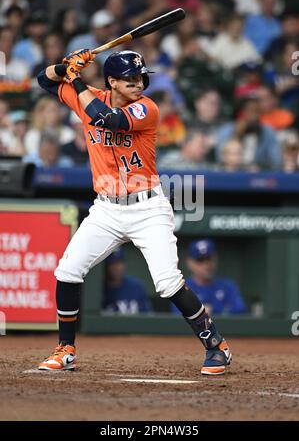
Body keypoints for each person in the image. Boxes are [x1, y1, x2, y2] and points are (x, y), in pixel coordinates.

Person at [36, 47, 232, 376]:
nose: (138, 83)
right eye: (129, 79)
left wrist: (77, 81)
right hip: (106, 209)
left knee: (168, 283)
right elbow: (43, 79)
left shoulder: (147, 108)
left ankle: (217, 346)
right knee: (67, 271)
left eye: (140, 78)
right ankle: (66, 349)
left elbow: (106, 118)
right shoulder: (88, 96)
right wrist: (66, 65)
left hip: (147, 208)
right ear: (111, 81)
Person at [171, 239, 246, 316]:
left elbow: (240, 310)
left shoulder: (227, 286)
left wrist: (213, 310)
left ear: (215, 258)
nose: (206, 264)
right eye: (200, 260)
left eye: (209, 258)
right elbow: (178, 314)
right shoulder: (182, 288)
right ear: (190, 263)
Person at [102, 248, 152, 314]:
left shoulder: (136, 287)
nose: (117, 268)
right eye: (112, 263)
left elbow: (147, 316)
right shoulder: (100, 289)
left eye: (119, 262)